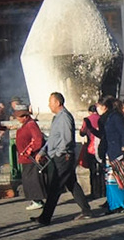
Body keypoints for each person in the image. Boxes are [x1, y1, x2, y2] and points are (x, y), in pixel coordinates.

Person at [35, 91, 95, 226]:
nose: (49, 105)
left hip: (63, 156)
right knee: (71, 184)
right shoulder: (57, 117)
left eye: (50, 102)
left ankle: (45, 217)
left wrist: (59, 153)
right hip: (58, 155)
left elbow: (66, 138)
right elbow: (53, 139)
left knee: (55, 187)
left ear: (57, 102)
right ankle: (86, 210)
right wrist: (43, 151)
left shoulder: (65, 117)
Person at [99, 95, 124, 212]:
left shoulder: (116, 117)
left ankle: (123, 203)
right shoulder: (109, 117)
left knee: (118, 179)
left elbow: (123, 132)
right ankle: (114, 204)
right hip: (110, 151)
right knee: (111, 180)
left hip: (117, 151)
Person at [15, 107, 47, 211]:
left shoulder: (31, 124)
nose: (18, 119)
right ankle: (35, 200)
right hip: (25, 157)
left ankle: (37, 200)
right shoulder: (25, 125)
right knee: (28, 179)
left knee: (32, 179)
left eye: (19, 117)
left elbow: (38, 139)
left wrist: (30, 151)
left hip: (31, 158)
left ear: (25, 117)